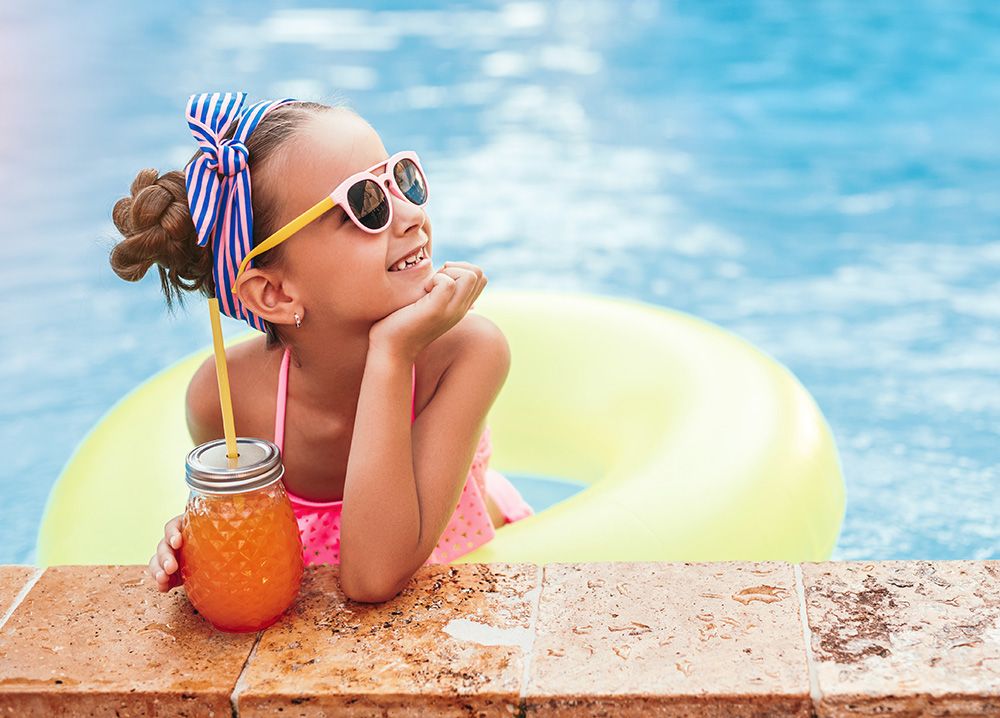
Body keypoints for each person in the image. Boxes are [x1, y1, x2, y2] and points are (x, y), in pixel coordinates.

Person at [110, 92, 533, 603]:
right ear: (275, 293)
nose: (410, 216)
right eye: (366, 205)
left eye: (402, 179)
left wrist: (392, 352)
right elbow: (250, 542)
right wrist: (195, 543)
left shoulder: (468, 354)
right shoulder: (224, 399)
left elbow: (371, 578)